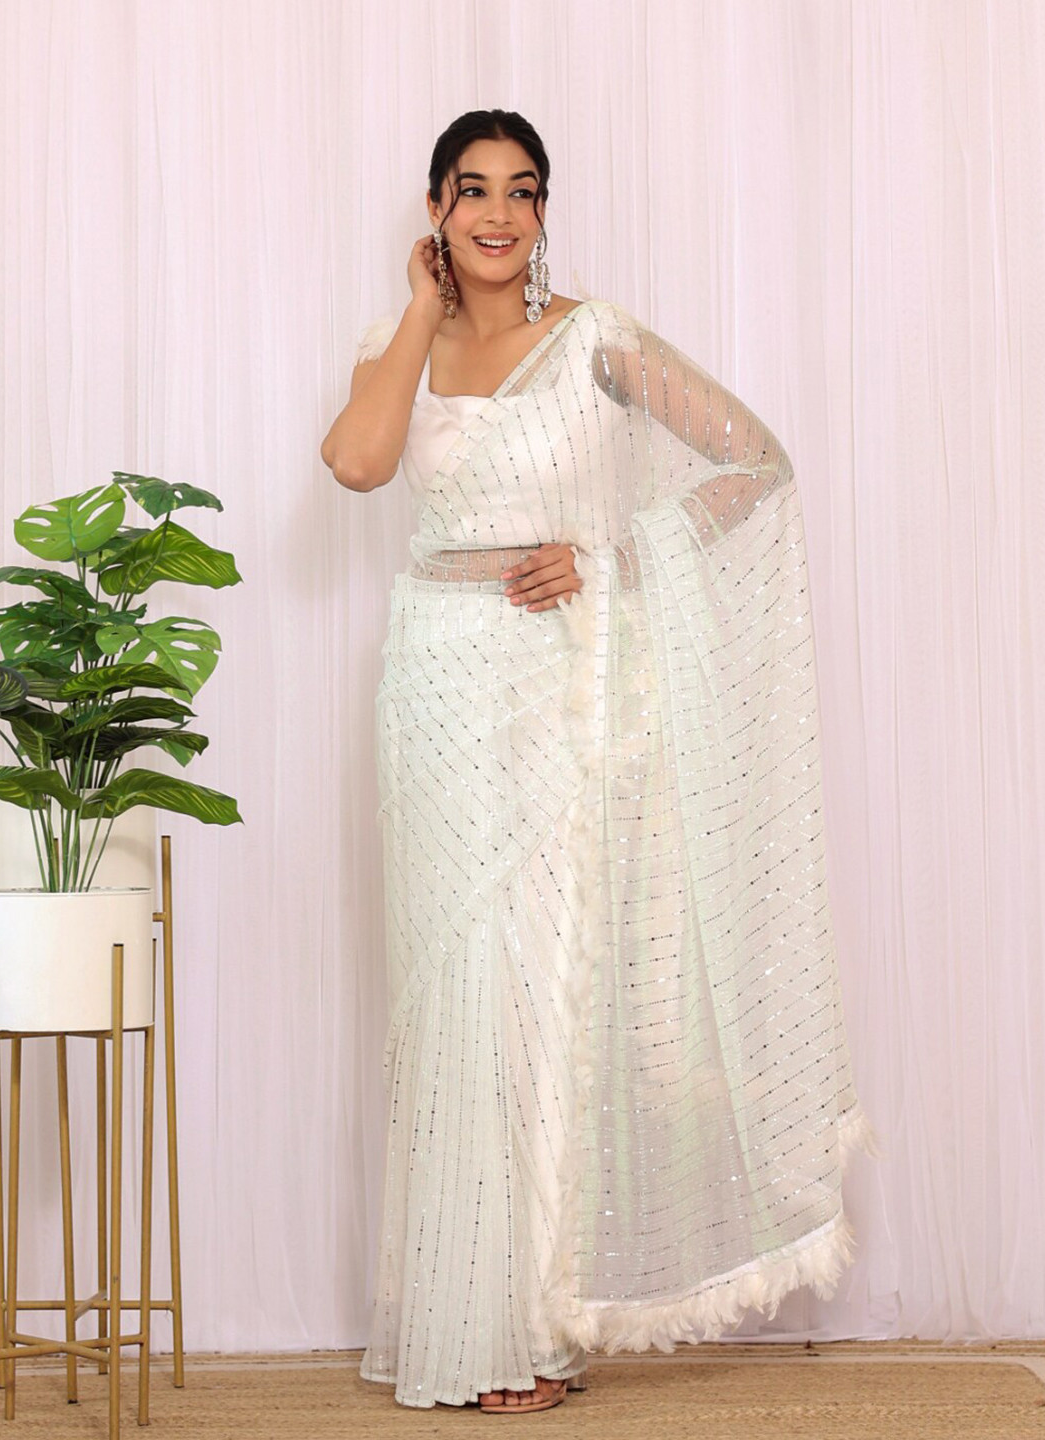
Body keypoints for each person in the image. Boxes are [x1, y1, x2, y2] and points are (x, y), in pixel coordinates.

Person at [321, 108, 880, 1415]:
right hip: (436, 685)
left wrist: (610, 557)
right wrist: (421, 308)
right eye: (471, 191)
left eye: (520, 191)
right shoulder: (399, 343)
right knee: (449, 996)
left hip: (555, 687)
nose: (497, 214)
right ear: (437, 208)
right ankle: (462, 1322)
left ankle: (530, 1328)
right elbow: (356, 463)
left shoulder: (597, 341)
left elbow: (754, 463)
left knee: (538, 998)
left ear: (544, 209)